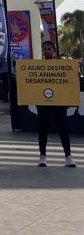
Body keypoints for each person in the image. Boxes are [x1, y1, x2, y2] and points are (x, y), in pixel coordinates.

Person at [37, 40, 76, 168]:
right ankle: (42, 156)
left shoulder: (61, 65)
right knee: (43, 128)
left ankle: (68, 156)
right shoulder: (37, 66)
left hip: (59, 102)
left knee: (63, 128)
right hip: (43, 101)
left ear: (53, 51)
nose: (47, 51)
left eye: (49, 49)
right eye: (45, 49)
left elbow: (70, 80)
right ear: (43, 51)